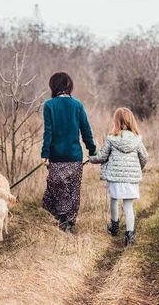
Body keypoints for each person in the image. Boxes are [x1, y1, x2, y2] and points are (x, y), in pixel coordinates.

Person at [41, 72, 96, 233]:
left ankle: (65, 220)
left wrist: (45, 154)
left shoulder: (49, 105)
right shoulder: (76, 105)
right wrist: (91, 150)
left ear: (54, 86)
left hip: (57, 157)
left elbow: (48, 132)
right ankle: (68, 221)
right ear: (68, 86)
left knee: (56, 186)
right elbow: (86, 130)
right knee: (72, 190)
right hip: (74, 157)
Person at [89, 107, 148, 246]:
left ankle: (114, 226)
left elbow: (102, 156)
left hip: (115, 177)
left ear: (116, 122)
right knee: (128, 206)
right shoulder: (137, 140)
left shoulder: (111, 139)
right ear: (131, 121)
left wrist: (91, 159)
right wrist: (138, 168)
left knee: (114, 200)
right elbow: (144, 156)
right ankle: (129, 235)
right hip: (131, 178)